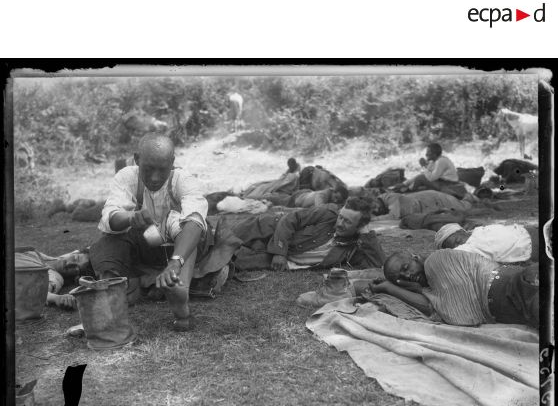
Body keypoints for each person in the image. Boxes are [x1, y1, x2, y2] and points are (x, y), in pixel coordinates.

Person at [89, 133, 209, 332]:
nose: (154, 178)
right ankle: (112, 289)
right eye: (148, 169)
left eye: (162, 170)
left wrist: (175, 262)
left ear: (172, 162)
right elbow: (110, 217)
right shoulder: (127, 177)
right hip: (145, 247)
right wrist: (130, 217)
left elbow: (195, 221)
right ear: (137, 159)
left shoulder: (183, 180)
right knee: (106, 243)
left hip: (180, 251)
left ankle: (181, 290)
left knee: (186, 226)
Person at [369, 249, 539, 328]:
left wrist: (390, 288)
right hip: (516, 305)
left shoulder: (436, 261)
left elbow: (449, 310)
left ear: (416, 257)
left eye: (406, 268)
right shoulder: (434, 289)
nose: (407, 276)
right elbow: (437, 305)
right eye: (399, 279)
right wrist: (391, 287)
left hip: (521, 286)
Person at [232, 197, 386, 271]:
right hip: (269, 229)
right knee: (226, 240)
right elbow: (290, 219)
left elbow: (378, 265)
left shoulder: (352, 249)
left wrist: (367, 234)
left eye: (347, 222)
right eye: (341, 217)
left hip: (279, 258)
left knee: (234, 264)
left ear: (359, 227)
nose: (339, 223)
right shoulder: (327, 214)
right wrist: (279, 252)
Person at [15, 247, 93, 309]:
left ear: (76, 277)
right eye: (75, 258)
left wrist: (57, 298)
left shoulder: (55, 277)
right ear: (74, 253)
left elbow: (42, 292)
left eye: (76, 268)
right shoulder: (51, 258)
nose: (69, 263)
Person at [434, 223, 539, 263]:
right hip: (531, 243)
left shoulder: (479, 232)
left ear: (462, 231)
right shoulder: (470, 247)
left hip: (531, 236)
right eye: (454, 247)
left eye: (457, 241)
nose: (459, 246)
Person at [398, 143, 467, 199]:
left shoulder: (441, 161)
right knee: (421, 178)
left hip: (448, 185)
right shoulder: (434, 161)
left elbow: (431, 178)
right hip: (442, 182)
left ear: (434, 154)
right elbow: (425, 174)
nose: (426, 154)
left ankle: (407, 191)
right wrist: (404, 183)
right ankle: (403, 187)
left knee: (421, 178)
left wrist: (424, 166)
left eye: (428, 152)